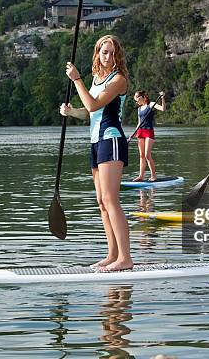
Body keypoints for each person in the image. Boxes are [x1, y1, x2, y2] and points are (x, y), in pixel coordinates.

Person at [60, 35, 133, 271]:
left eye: (112, 53)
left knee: (111, 199)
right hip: (96, 141)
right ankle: (113, 254)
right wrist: (71, 112)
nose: (108, 56)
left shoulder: (119, 80)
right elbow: (88, 112)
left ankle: (126, 258)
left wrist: (77, 79)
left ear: (117, 55)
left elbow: (93, 105)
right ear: (98, 54)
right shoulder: (97, 80)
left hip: (111, 138)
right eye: (104, 52)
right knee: (101, 201)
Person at [132, 90, 166, 182]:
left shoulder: (151, 104)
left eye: (137, 99)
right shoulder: (139, 109)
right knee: (141, 155)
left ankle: (153, 175)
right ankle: (141, 176)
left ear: (142, 97)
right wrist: (133, 133)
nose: (136, 101)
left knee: (147, 155)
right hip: (140, 132)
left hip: (149, 132)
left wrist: (162, 97)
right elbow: (139, 123)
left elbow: (163, 109)